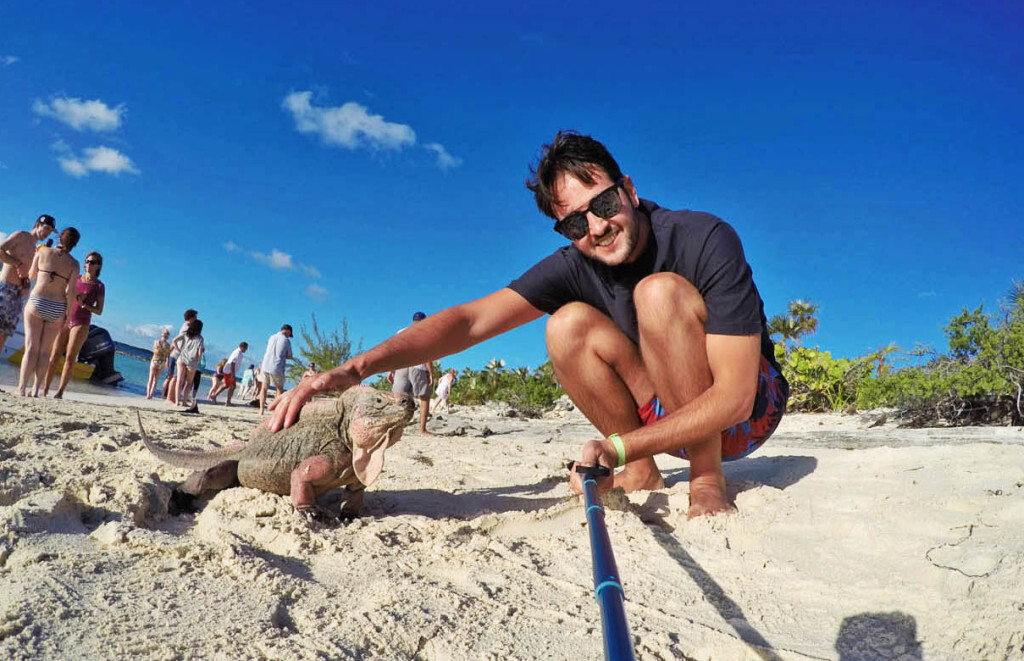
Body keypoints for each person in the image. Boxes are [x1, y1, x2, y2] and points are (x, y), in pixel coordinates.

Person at [270, 131, 788, 519]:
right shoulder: (575, 263)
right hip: (667, 411)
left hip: (744, 414)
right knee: (566, 327)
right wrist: (351, 369)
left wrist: (620, 445)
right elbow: (470, 322)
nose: (598, 227)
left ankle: (705, 479)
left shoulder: (703, 237)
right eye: (575, 222)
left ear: (628, 190)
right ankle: (641, 474)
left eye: (604, 204)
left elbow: (736, 398)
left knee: (658, 293)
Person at [18, 227, 80, 397]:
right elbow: (71, 292)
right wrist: (67, 314)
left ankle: (22, 388)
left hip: (37, 301)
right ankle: (36, 389)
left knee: (31, 348)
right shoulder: (74, 264)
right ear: (75, 244)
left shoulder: (43, 251)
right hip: (57, 307)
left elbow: (31, 275)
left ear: (60, 237)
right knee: (45, 351)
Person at [44, 251, 105, 399]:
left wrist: (85, 305)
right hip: (66, 318)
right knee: (54, 356)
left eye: (93, 262)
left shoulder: (99, 285)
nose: (89, 264)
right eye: (87, 261)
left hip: (81, 322)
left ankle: (59, 392)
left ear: (98, 266)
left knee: (70, 358)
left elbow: (99, 310)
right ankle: (44, 388)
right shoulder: (76, 278)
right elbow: (64, 292)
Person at [0, 214, 57, 357]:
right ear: (38, 224)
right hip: (5, 288)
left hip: (18, 295)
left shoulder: (37, 249)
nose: (47, 233)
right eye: (46, 228)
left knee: (4, 335)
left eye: (50, 231)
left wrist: (26, 284)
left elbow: (27, 274)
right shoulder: (21, 236)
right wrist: (16, 263)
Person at [388, 311, 434, 435]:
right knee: (424, 398)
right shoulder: (425, 333)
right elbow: (427, 354)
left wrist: (391, 369)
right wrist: (430, 373)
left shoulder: (401, 332)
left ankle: (393, 428)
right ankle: (422, 430)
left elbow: (394, 351)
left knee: (398, 398)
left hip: (401, 366)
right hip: (417, 366)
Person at [258, 324, 296, 415]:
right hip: (277, 366)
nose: (288, 336)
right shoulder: (286, 340)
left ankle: (261, 410)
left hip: (265, 365)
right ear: (288, 331)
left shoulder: (272, 337)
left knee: (264, 388)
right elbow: (289, 355)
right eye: (289, 334)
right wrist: (284, 356)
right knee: (279, 390)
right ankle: (276, 411)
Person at [163, 309, 197, 401]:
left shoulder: (185, 326)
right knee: (176, 377)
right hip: (178, 355)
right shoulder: (186, 328)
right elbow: (176, 340)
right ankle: (170, 398)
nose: (196, 319)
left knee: (177, 377)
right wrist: (180, 351)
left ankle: (171, 398)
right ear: (191, 318)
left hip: (177, 354)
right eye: (195, 317)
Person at [170, 318, 204, 409]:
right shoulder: (200, 338)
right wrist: (198, 359)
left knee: (179, 380)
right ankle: (184, 401)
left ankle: (177, 401)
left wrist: (178, 349)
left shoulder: (185, 334)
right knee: (189, 382)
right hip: (192, 361)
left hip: (181, 358)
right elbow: (200, 351)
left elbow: (174, 340)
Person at [147, 328, 172, 399]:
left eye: (166, 335)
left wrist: (167, 361)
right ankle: (149, 394)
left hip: (158, 361)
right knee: (153, 379)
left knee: (153, 379)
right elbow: (166, 354)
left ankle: (150, 394)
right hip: (158, 360)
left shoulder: (164, 344)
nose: (165, 336)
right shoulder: (160, 343)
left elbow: (167, 355)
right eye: (165, 334)